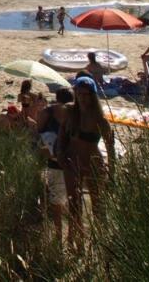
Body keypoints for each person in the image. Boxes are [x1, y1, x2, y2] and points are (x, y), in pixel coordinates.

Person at [59, 76, 115, 233]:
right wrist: (61, 156)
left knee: (97, 204)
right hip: (72, 162)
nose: (83, 98)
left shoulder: (100, 119)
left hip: (93, 163)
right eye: (80, 94)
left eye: (86, 94)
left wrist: (112, 172)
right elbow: (61, 137)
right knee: (74, 205)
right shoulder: (69, 112)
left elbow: (110, 147)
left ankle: (100, 237)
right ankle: (75, 239)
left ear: (92, 96)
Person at [37, 87, 74, 241]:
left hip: (63, 162)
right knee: (63, 201)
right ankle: (64, 235)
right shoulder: (49, 113)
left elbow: (38, 134)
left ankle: (66, 235)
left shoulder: (51, 113)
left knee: (61, 201)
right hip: (62, 162)